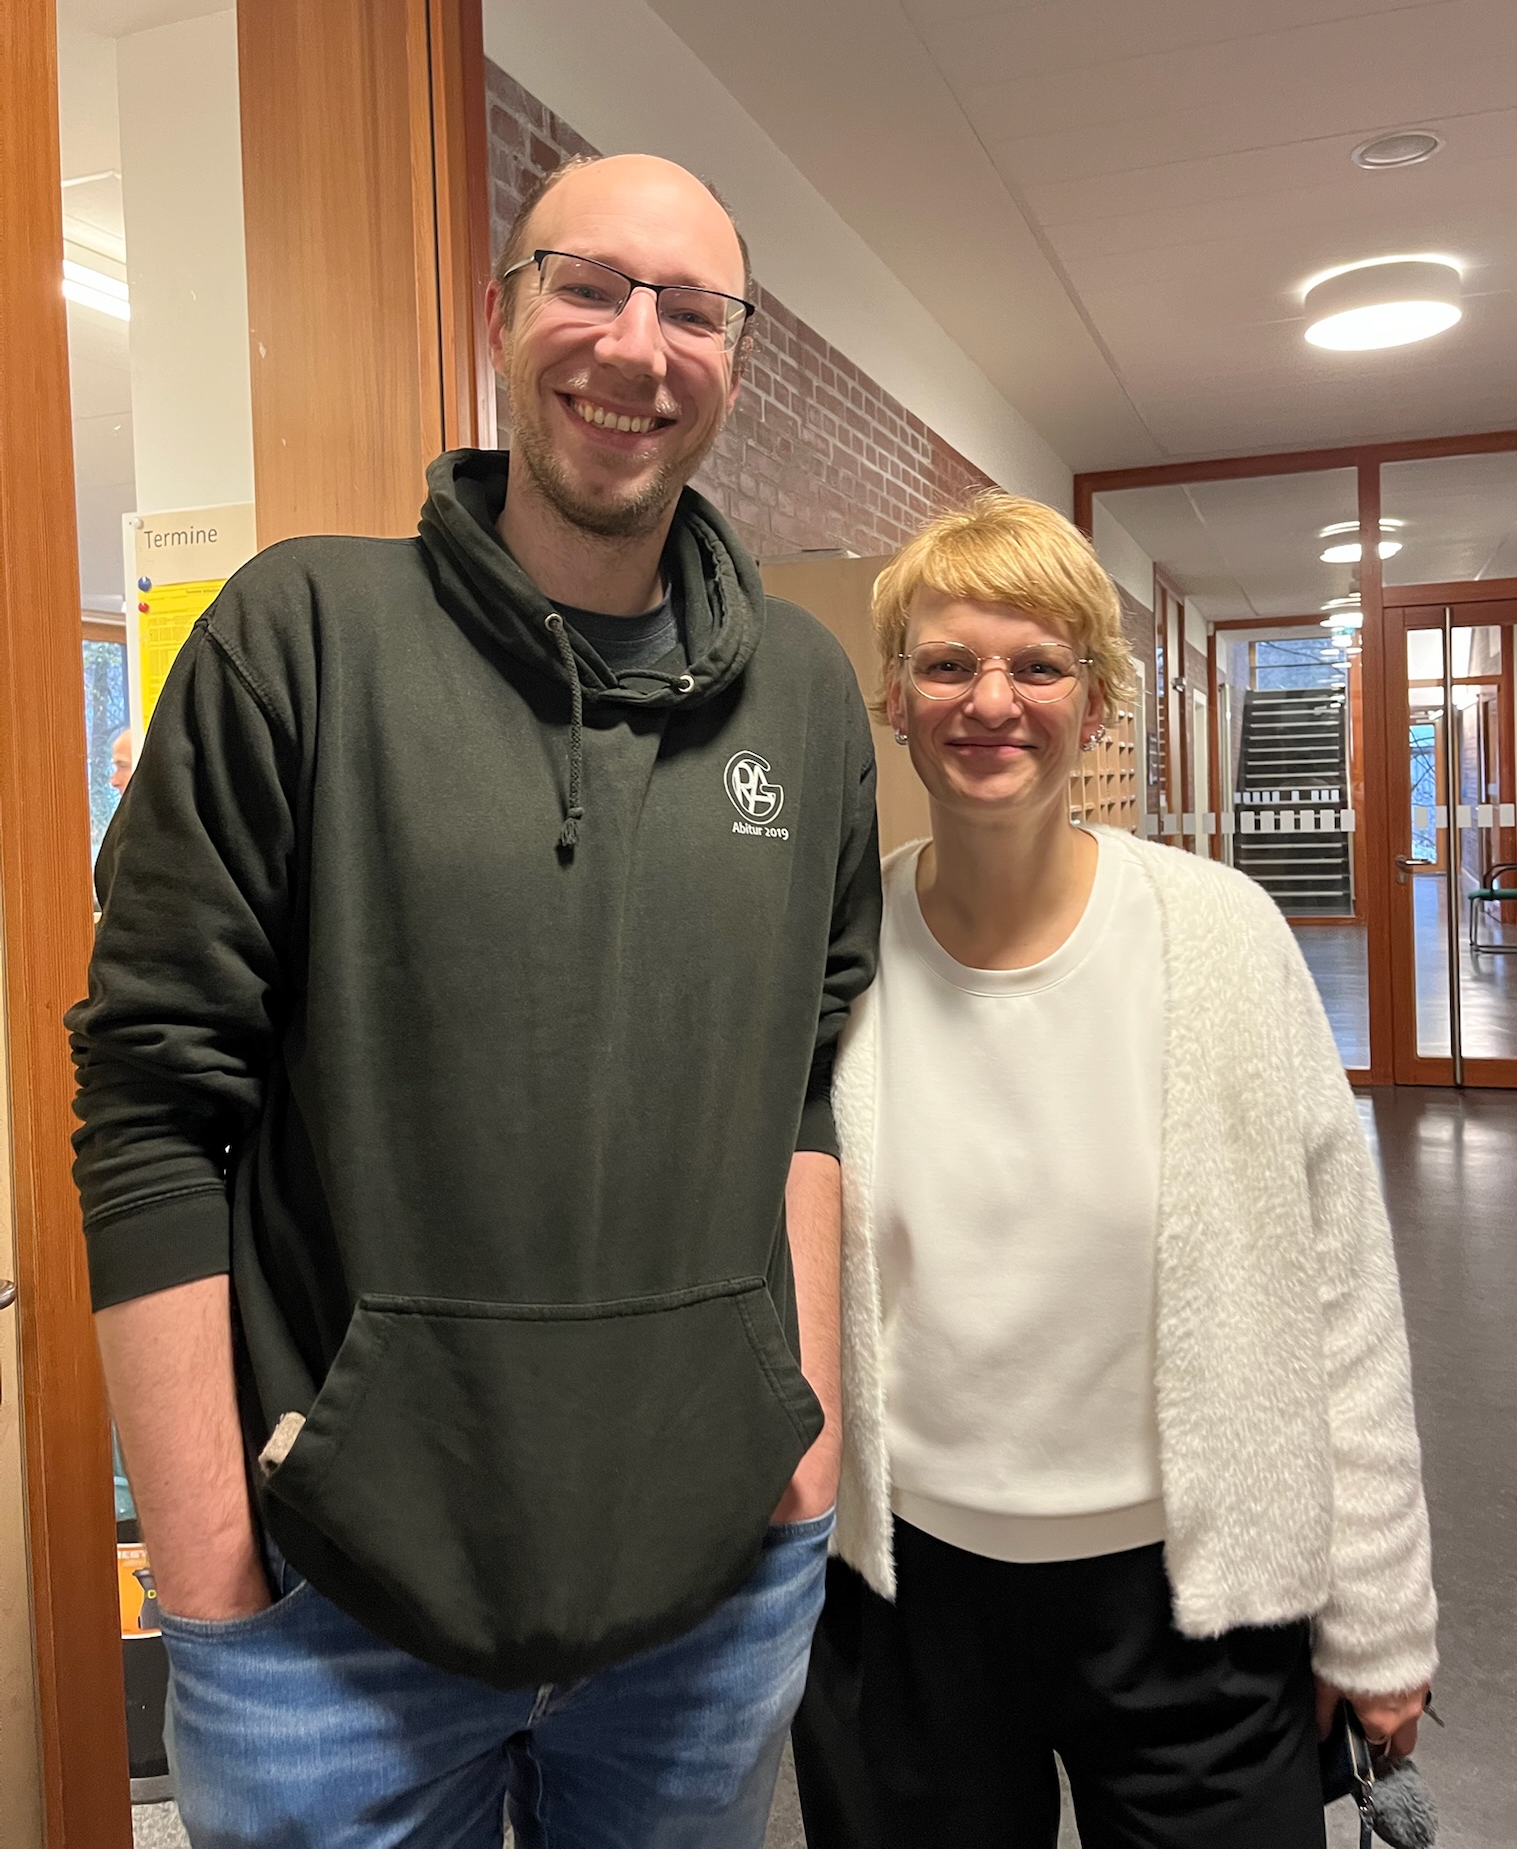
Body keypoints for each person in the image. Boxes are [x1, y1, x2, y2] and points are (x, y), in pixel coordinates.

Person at [69, 153, 881, 1849]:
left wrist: (802, 1455)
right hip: (332, 1632)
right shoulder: (302, 635)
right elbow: (149, 1109)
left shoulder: (806, 699)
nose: (636, 347)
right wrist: (207, 1580)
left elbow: (804, 1083)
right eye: (588, 286)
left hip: (709, 1610)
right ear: (499, 313)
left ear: (736, 361)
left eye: (694, 310)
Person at [793, 493, 1436, 1849]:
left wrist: (1378, 1620)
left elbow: (1343, 1296)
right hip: (907, 1606)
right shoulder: (840, 954)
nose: (992, 702)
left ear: (1095, 704)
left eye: (1038, 664)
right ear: (895, 699)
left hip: (1195, 1607)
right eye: (948, 663)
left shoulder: (1221, 938)